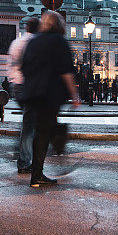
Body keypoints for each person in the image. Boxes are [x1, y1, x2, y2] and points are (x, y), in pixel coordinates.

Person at [19, 11, 81, 187]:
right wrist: (74, 95)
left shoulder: (32, 42)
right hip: (49, 93)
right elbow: (66, 70)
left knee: (42, 131)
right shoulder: (59, 41)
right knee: (44, 133)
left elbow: (24, 67)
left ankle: (42, 169)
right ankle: (37, 174)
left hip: (32, 93)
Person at [7, 17, 39, 174]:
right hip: (29, 85)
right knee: (29, 126)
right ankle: (24, 160)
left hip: (17, 85)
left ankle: (23, 152)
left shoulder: (16, 42)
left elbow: (10, 64)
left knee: (29, 122)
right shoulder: (36, 42)